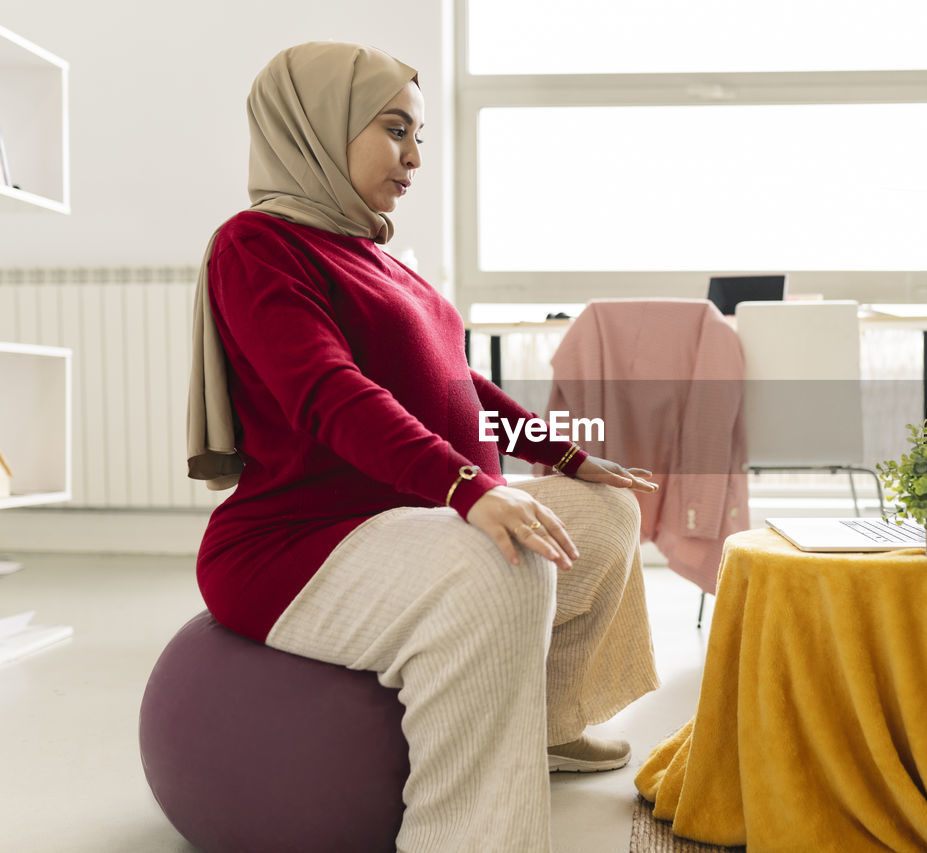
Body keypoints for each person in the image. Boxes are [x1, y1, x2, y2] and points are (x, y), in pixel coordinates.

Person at [185, 41, 661, 852]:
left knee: (606, 511)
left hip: (413, 513)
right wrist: (468, 487)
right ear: (318, 125)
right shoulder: (258, 246)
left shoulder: (380, 255)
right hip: (300, 540)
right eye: (393, 129)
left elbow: (459, 382)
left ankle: (543, 723)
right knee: (497, 563)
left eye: (420, 136)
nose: (412, 157)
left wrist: (567, 459)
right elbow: (328, 391)